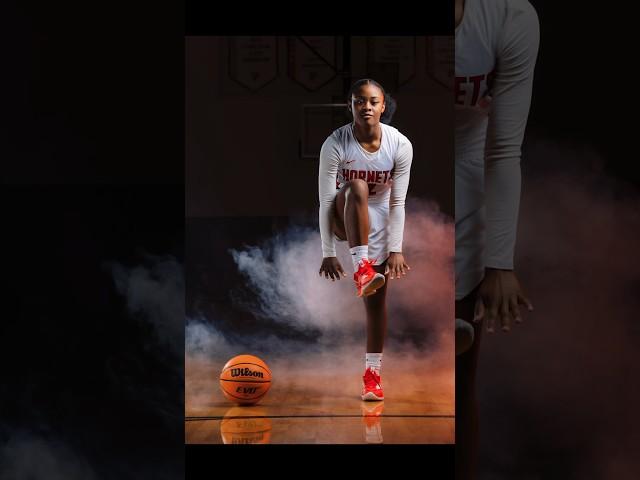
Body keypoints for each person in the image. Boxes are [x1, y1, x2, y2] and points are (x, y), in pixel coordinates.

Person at [454, 0, 539, 478]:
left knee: (454, 380)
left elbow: (504, 148)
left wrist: (499, 262)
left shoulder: (508, 15)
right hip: (382, 169)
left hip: (462, 171)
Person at [317, 78, 412, 401]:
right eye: (360, 101)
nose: (366, 106)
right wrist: (328, 251)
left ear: (383, 106)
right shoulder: (335, 143)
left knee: (376, 306)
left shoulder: (400, 145)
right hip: (343, 213)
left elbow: (398, 203)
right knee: (356, 186)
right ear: (351, 106)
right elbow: (325, 201)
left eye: (373, 101)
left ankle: (372, 375)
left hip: (380, 219)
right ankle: (361, 267)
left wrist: (396, 249)